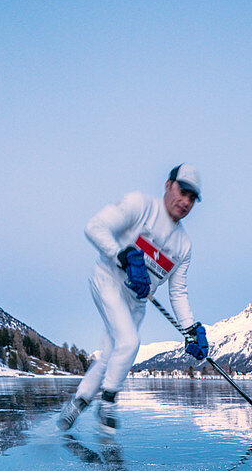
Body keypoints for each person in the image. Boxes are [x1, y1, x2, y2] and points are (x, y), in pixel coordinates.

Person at [58, 164, 208, 433]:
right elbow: (95, 227)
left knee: (111, 356)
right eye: (182, 191)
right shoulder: (140, 205)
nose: (185, 201)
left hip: (137, 302)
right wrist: (122, 255)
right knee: (129, 342)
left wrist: (191, 331)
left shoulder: (184, 246)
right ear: (167, 185)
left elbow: (178, 292)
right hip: (108, 281)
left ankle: (76, 405)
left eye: (192, 198)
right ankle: (108, 406)